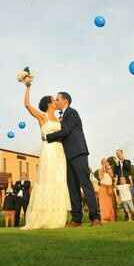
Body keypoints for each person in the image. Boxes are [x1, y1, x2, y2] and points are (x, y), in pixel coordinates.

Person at [44, 92, 101, 227]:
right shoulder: (62, 117)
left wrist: (48, 137)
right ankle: (76, 219)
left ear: (65, 100)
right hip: (67, 156)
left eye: (57, 99)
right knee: (72, 188)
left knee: (85, 185)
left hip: (78, 153)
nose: (56, 101)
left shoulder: (72, 113)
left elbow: (66, 131)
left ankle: (95, 217)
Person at [20, 82, 70, 230]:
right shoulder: (42, 117)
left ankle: (58, 217)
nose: (56, 100)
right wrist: (28, 87)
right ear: (49, 103)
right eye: (53, 99)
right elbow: (27, 105)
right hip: (48, 152)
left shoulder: (60, 120)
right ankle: (44, 217)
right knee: (48, 180)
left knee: (59, 180)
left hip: (60, 152)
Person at [98, 158, 117, 223]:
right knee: (103, 204)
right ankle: (104, 218)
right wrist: (103, 170)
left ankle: (112, 218)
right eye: (103, 162)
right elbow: (100, 178)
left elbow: (112, 177)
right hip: (103, 187)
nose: (104, 163)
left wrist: (109, 171)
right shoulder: (100, 170)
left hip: (109, 187)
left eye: (105, 162)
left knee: (110, 203)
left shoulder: (110, 169)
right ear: (101, 163)